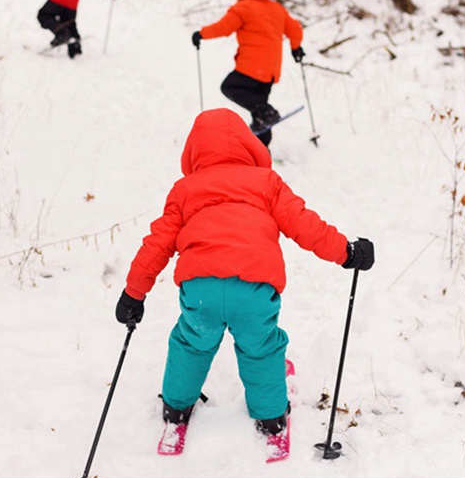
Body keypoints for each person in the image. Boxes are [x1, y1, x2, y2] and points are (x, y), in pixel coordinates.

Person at [115, 108, 375, 450]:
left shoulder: (185, 190)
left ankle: (176, 408)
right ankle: (270, 418)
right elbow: (304, 224)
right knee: (261, 347)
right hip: (252, 289)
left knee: (192, 343)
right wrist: (346, 252)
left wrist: (134, 294)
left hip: (201, 290)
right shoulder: (266, 183)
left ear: (193, 151)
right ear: (249, 145)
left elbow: (157, 244)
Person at [191, 0, 305, 147]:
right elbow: (296, 30)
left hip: (251, 67)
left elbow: (224, 27)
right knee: (259, 110)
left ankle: (266, 112)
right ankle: (263, 147)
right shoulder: (277, 9)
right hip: (271, 71)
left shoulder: (243, 8)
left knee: (230, 87)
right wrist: (296, 48)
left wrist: (201, 34)